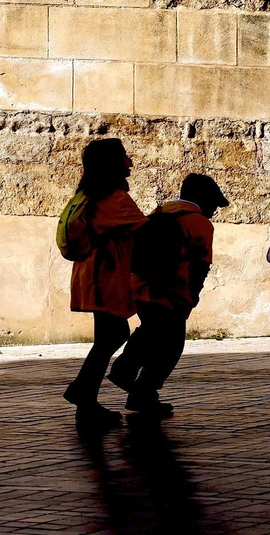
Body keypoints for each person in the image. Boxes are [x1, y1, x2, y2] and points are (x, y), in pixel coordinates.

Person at [111, 174, 228, 418]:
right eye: (213, 204)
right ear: (203, 199)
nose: (214, 210)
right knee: (171, 347)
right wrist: (191, 297)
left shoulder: (160, 212)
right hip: (172, 292)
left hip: (142, 286)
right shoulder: (200, 223)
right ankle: (140, 390)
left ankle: (129, 374)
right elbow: (200, 266)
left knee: (152, 331)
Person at [61, 138, 145, 427]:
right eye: (124, 156)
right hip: (105, 276)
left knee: (110, 336)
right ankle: (83, 393)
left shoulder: (88, 195)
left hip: (92, 273)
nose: (130, 161)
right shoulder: (115, 199)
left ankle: (85, 398)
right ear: (112, 162)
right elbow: (147, 233)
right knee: (112, 336)